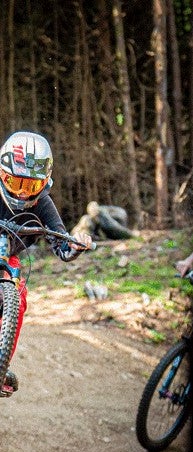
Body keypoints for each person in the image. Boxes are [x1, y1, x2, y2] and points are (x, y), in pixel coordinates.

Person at [0, 131, 93, 397]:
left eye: (29, 187)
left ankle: (1, 363)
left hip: (9, 259)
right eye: (15, 182)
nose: (21, 192)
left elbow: (62, 245)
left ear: (43, 184)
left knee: (19, 295)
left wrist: (74, 246)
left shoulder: (43, 206)